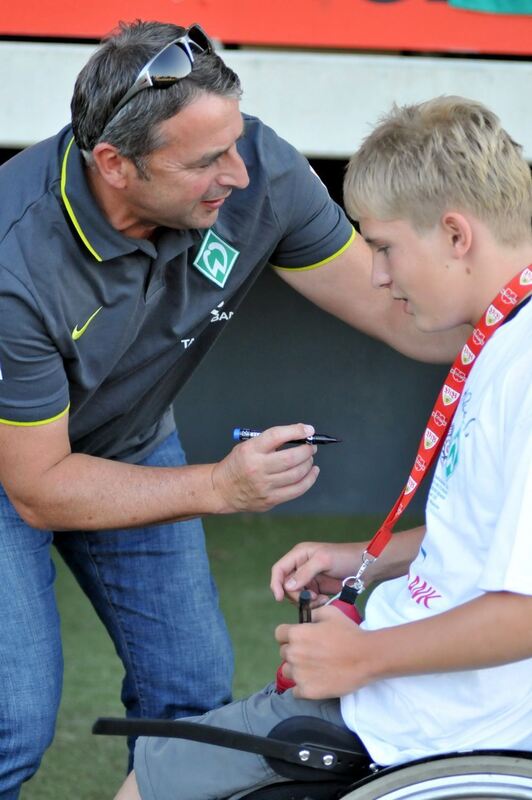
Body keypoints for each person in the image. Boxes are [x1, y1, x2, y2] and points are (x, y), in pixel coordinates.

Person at [0, 19, 466, 797]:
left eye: (236, 141)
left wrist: (514, 318)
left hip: (128, 440)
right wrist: (222, 488)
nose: (239, 174)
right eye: (207, 161)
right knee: (13, 719)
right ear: (114, 164)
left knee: (192, 693)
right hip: (18, 466)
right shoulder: (17, 257)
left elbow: (401, 314)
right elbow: (37, 485)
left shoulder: (260, 169)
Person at [115, 95, 532, 800]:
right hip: (413, 700)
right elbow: (496, 535)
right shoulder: (506, 336)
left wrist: (364, 657)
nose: (377, 276)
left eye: (382, 247)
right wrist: (363, 564)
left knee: (150, 785)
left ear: (457, 235)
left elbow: (524, 610)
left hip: (424, 724)